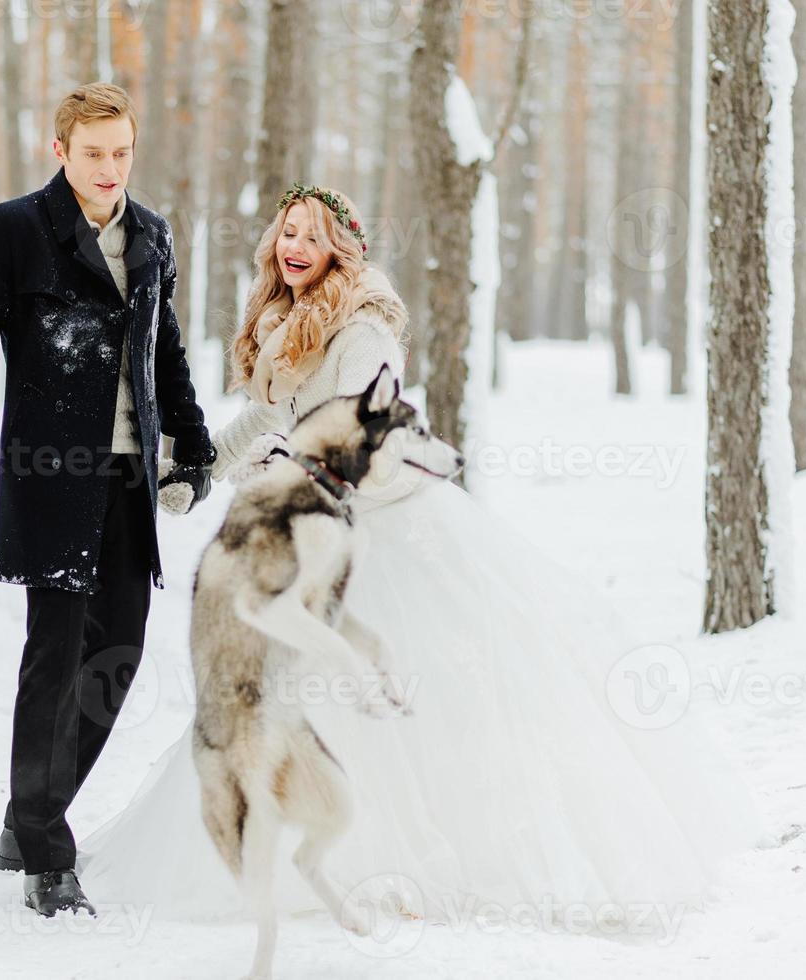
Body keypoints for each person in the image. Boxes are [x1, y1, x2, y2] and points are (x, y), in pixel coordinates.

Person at [80, 182, 762, 928]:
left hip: (380, 528)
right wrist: (200, 471)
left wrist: (282, 473)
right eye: (286, 233)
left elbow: (366, 444)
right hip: (319, 523)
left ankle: (405, 860)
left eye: (311, 235)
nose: (295, 247)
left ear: (341, 247)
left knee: (398, 688)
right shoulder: (289, 322)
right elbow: (266, 419)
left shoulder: (363, 325)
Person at [0, 82, 216, 917]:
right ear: (60, 151)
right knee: (53, 660)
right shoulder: (11, 231)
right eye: (93, 153)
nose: (109, 167)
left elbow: (166, 353)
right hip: (51, 474)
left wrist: (193, 446)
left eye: (121, 152)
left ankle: (29, 817)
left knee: (116, 659)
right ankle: (46, 852)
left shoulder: (152, 236)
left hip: (128, 483)